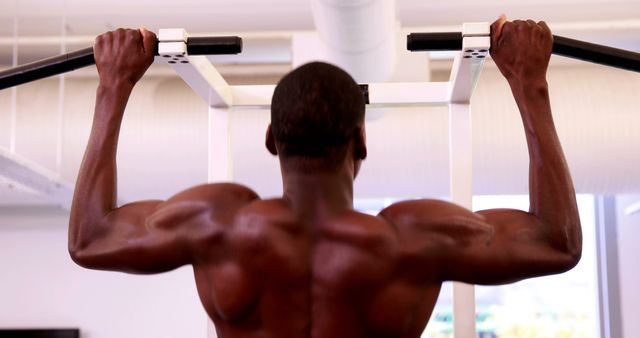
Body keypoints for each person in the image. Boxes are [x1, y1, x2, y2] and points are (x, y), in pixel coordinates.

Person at [69, 15, 582, 338]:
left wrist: (113, 85)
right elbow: (556, 242)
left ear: (271, 139)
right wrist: (528, 81)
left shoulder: (217, 224)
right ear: (360, 141)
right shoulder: (414, 239)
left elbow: (91, 238)